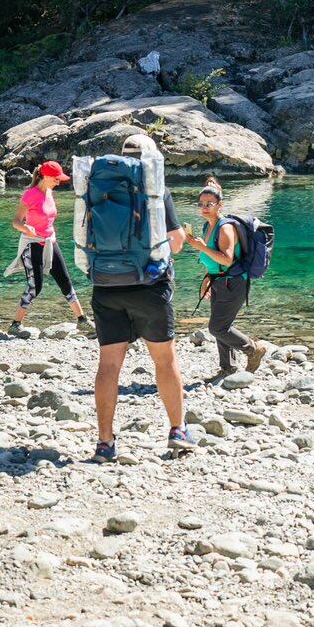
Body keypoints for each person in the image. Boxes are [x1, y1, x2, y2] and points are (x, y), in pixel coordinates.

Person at [85, 134, 192, 462]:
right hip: (149, 286)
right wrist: (184, 235)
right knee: (164, 360)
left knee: (109, 364)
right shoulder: (154, 187)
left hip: (105, 284)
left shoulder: (99, 185)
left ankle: (105, 442)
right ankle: (177, 431)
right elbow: (173, 244)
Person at [187, 178, 262, 380]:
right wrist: (205, 281)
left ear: (220, 205)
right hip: (218, 281)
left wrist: (202, 247)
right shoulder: (207, 226)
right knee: (221, 324)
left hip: (233, 283)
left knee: (217, 327)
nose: (204, 208)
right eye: (201, 204)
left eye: (209, 204)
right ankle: (228, 368)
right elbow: (212, 262)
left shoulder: (225, 227)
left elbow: (227, 260)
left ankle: (252, 349)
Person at [9, 161, 85, 325]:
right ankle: (15, 324)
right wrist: (26, 228)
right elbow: (16, 222)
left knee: (65, 281)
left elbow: (48, 220)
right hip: (32, 243)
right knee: (35, 287)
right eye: (56, 179)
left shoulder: (49, 192)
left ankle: (82, 320)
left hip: (50, 241)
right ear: (46, 176)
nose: (58, 182)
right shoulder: (30, 195)